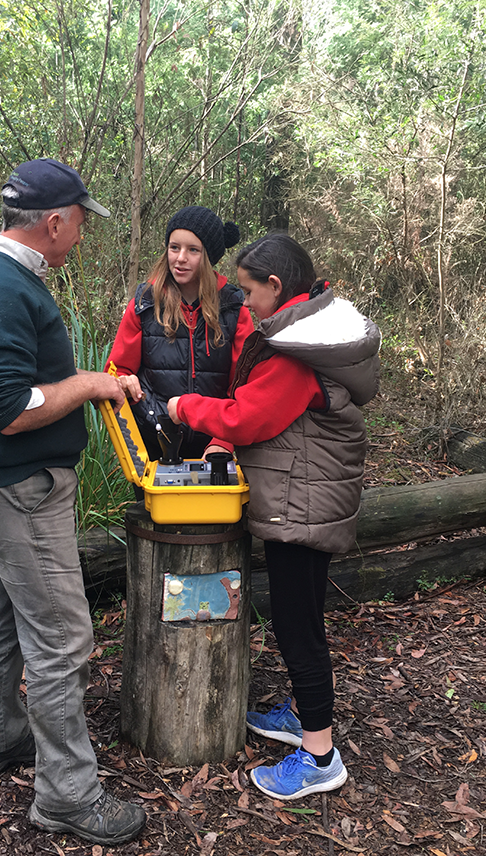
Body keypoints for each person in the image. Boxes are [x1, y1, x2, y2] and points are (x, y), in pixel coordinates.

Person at [0, 158, 146, 846]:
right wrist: (89, 384)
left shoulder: (0, 279)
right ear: (54, 222)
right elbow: (5, 408)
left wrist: (92, 382)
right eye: (81, 224)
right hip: (21, 490)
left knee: (5, 615)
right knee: (61, 637)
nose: (81, 237)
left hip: (15, 489)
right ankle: (66, 796)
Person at [167, 234, 380, 801]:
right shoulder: (306, 336)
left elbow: (251, 415)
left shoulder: (295, 352)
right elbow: (268, 417)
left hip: (301, 505)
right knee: (300, 615)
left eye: (249, 289)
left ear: (276, 287)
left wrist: (183, 406)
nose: (245, 301)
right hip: (303, 496)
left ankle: (319, 755)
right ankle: (302, 715)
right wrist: (221, 442)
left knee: (296, 623)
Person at [107, 206, 254, 460]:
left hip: (216, 447)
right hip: (154, 443)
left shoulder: (234, 308)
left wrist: (224, 441)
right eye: (174, 247)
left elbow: (245, 386)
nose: (181, 258)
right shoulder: (145, 303)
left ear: (208, 257)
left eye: (193, 250)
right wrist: (123, 381)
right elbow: (117, 370)